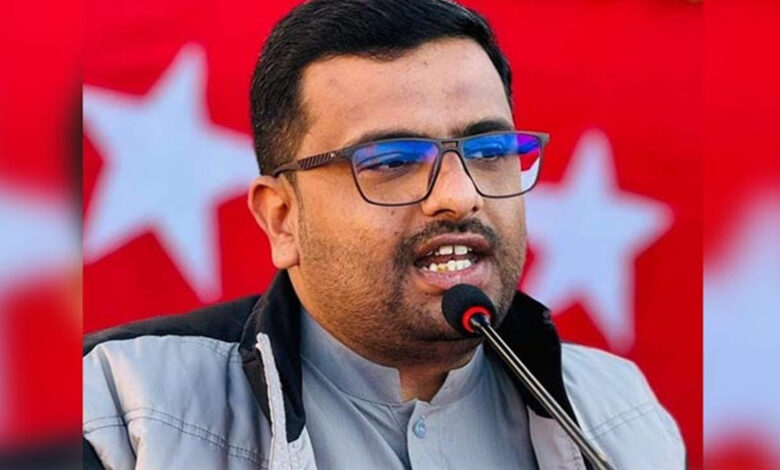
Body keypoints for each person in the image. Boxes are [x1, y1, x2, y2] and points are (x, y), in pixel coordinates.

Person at [83, 0, 686, 468]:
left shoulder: (617, 411)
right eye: (392, 161)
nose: (460, 196)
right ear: (281, 218)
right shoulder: (119, 405)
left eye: (490, 151)